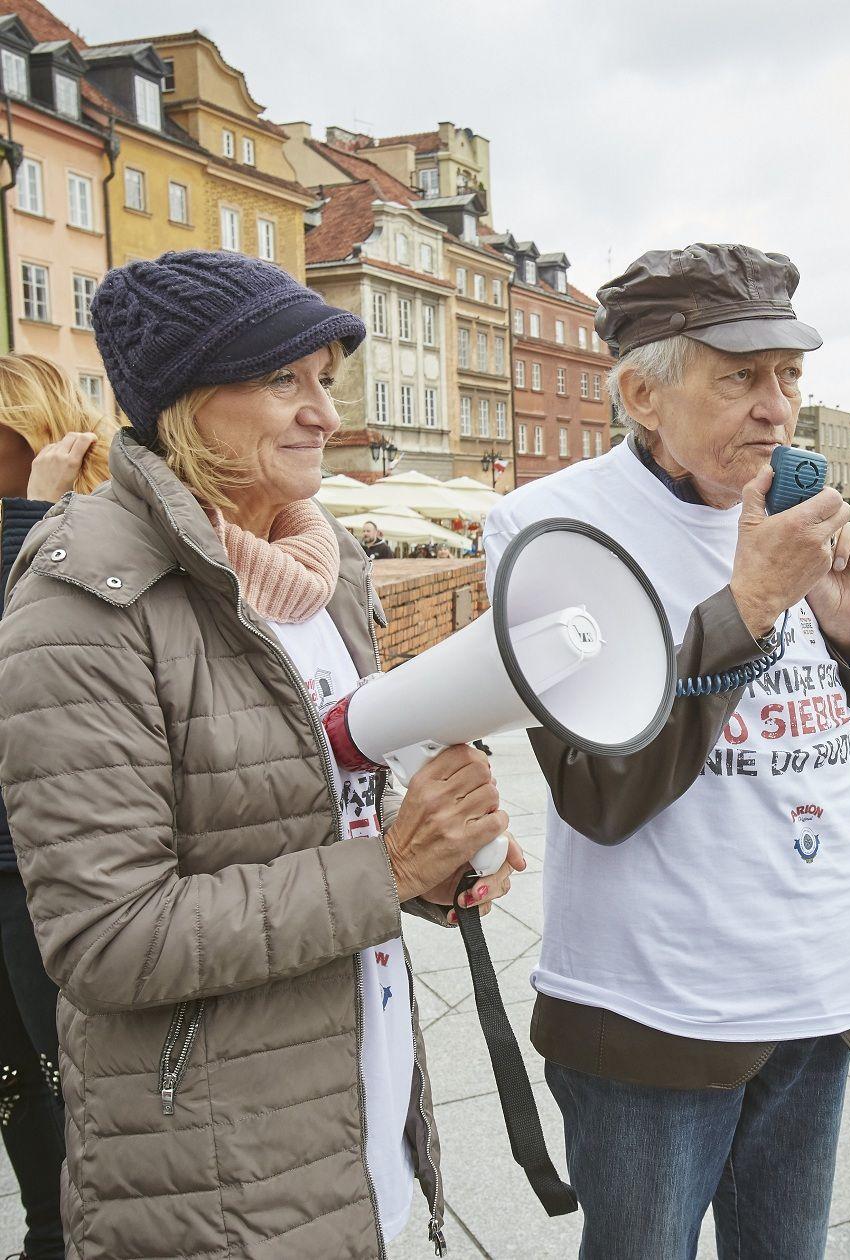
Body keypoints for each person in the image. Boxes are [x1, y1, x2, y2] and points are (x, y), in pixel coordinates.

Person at [0, 251, 524, 1260]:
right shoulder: (84, 603)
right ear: (188, 402)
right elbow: (106, 937)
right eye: (283, 380)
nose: (324, 414)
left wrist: (428, 867)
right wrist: (387, 869)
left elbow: (317, 826)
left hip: (349, 1119)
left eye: (324, 381)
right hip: (209, 1175)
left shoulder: (323, 570)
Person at [484, 244, 850, 1260]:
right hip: (653, 1006)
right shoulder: (549, 527)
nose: (776, 408)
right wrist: (750, 603)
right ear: (640, 393)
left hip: (813, 980)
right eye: (738, 377)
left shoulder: (791, 511)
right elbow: (602, 793)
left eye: (788, 375)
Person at [0, 354, 117, 1260]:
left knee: (67, 1073)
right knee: (12, 1085)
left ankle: (78, 1233)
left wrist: (30, 516)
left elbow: (34, 653)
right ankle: (48, 1231)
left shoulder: (84, 526)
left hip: (37, 864)